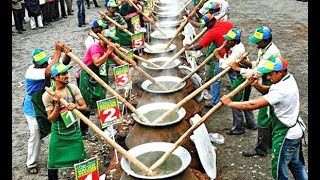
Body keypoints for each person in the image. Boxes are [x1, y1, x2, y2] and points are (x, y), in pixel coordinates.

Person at [220, 56, 308, 180]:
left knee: (279, 171)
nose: (267, 77)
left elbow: (252, 104)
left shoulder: (281, 90)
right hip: (295, 131)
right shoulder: (288, 78)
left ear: (280, 72)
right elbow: (268, 91)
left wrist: (230, 103)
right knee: (296, 165)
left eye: (270, 74)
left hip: (286, 135)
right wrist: (256, 83)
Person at [230, 26, 281, 157]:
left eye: (258, 41)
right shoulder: (265, 48)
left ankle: (261, 149)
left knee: (264, 116)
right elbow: (257, 65)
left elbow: (256, 73)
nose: (256, 44)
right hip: (268, 80)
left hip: (272, 82)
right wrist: (246, 63)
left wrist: (237, 69)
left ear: (266, 40)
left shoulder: (271, 53)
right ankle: (269, 143)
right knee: (271, 114)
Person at [22, 41, 71, 174]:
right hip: (32, 107)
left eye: (45, 62)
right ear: (35, 63)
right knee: (36, 132)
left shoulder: (49, 61)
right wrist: (57, 51)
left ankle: (64, 154)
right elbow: (49, 72)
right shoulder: (30, 72)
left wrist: (66, 53)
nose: (44, 64)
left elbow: (63, 63)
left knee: (57, 125)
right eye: (42, 63)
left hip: (46, 101)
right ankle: (31, 163)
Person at [78, 28, 132, 137]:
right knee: (86, 105)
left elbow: (117, 60)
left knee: (102, 99)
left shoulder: (106, 48)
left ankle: (106, 127)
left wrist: (129, 64)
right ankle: (84, 131)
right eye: (111, 40)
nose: (113, 43)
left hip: (98, 78)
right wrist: (108, 52)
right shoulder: (95, 48)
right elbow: (97, 62)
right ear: (106, 39)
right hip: (87, 78)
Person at [42, 62, 88, 180]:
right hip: (58, 133)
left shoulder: (73, 88)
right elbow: (51, 118)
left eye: (66, 72)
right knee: (52, 164)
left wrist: (75, 107)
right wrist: (57, 105)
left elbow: (85, 108)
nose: (67, 75)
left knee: (81, 160)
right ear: (56, 77)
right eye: (63, 74)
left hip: (74, 131)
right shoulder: (47, 95)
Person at [185, 13, 235, 108]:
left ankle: (214, 102)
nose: (206, 27)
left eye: (207, 25)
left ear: (212, 21)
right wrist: (190, 20)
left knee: (215, 80)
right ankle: (237, 94)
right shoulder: (227, 24)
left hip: (223, 57)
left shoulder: (212, 32)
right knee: (233, 74)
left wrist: (189, 48)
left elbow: (199, 46)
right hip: (234, 54)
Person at [213, 28, 257, 135]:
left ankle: (239, 127)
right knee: (244, 100)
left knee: (236, 102)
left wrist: (218, 56)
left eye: (229, 41)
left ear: (235, 41)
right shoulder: (233, 47)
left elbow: (226, 65)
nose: (226, 42)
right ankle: (251, 124)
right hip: (243, 77)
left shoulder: (237, 50)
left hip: (241, 78)